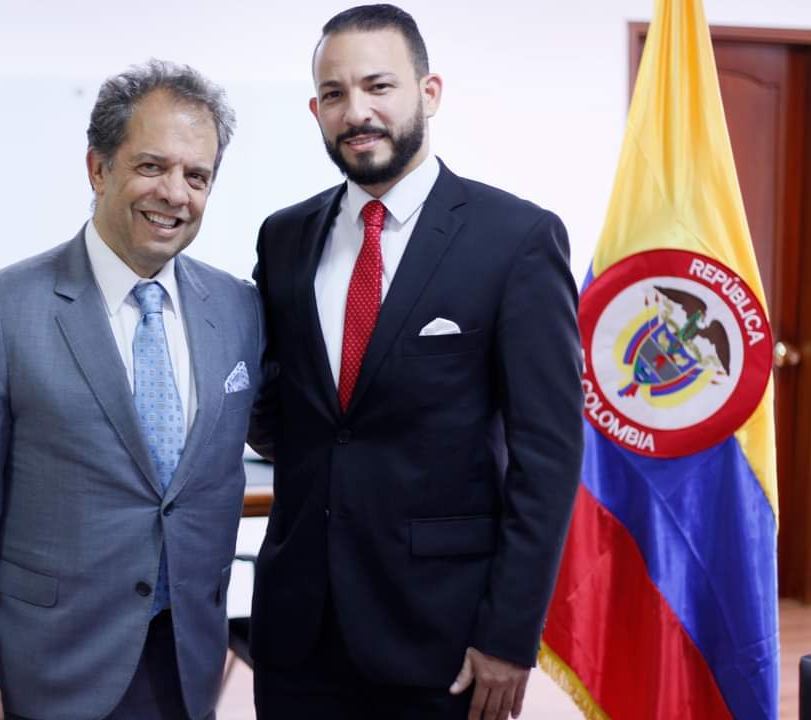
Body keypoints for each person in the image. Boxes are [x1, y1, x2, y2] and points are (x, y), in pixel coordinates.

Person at [247, 5, 583, 720]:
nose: (356, 111)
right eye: (334, 94)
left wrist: (510, 633)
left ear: (428, 93)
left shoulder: (516, 239)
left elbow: (548, 458)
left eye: (379, 86)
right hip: (297, 632)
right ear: (316, 109)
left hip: (446, 636)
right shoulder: (283, 237)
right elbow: (281, 407)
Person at [0, 60, 262, 720]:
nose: (175, 193)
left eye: (197, 176)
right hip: (47, 668)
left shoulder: (239, 308)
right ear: (98, 169)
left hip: (186, 663)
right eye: (152, 166)